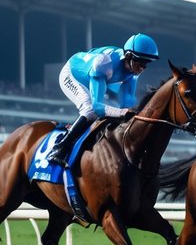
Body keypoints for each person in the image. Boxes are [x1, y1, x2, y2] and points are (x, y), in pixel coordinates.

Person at [47, 33, 159, 166]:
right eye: (141, 63)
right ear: (129, 56)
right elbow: (97, 107)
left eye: (146, 64)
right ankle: (59, 148)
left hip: (95, 78)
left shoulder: (133, 74)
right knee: (89, 110)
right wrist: (123, 112)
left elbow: (127, 106)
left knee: (116, 112)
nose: (142, 69)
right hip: (72, 75)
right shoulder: (104, 63)